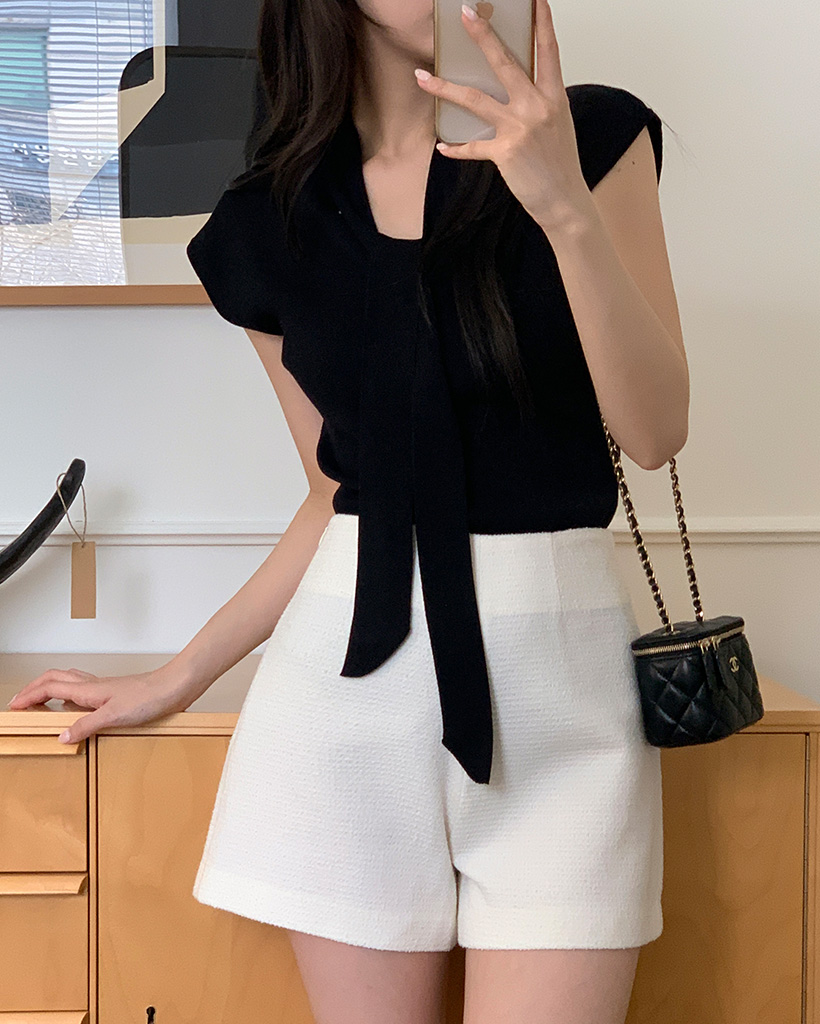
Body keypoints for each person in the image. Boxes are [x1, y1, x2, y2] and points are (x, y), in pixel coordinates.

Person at [8, 0, 689, 1020]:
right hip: (344, 707)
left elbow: (656, 430)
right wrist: (177, 676)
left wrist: (562, 208)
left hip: (568, 712)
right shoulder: (267, 220)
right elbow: (334, 496)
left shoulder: (592, 138)